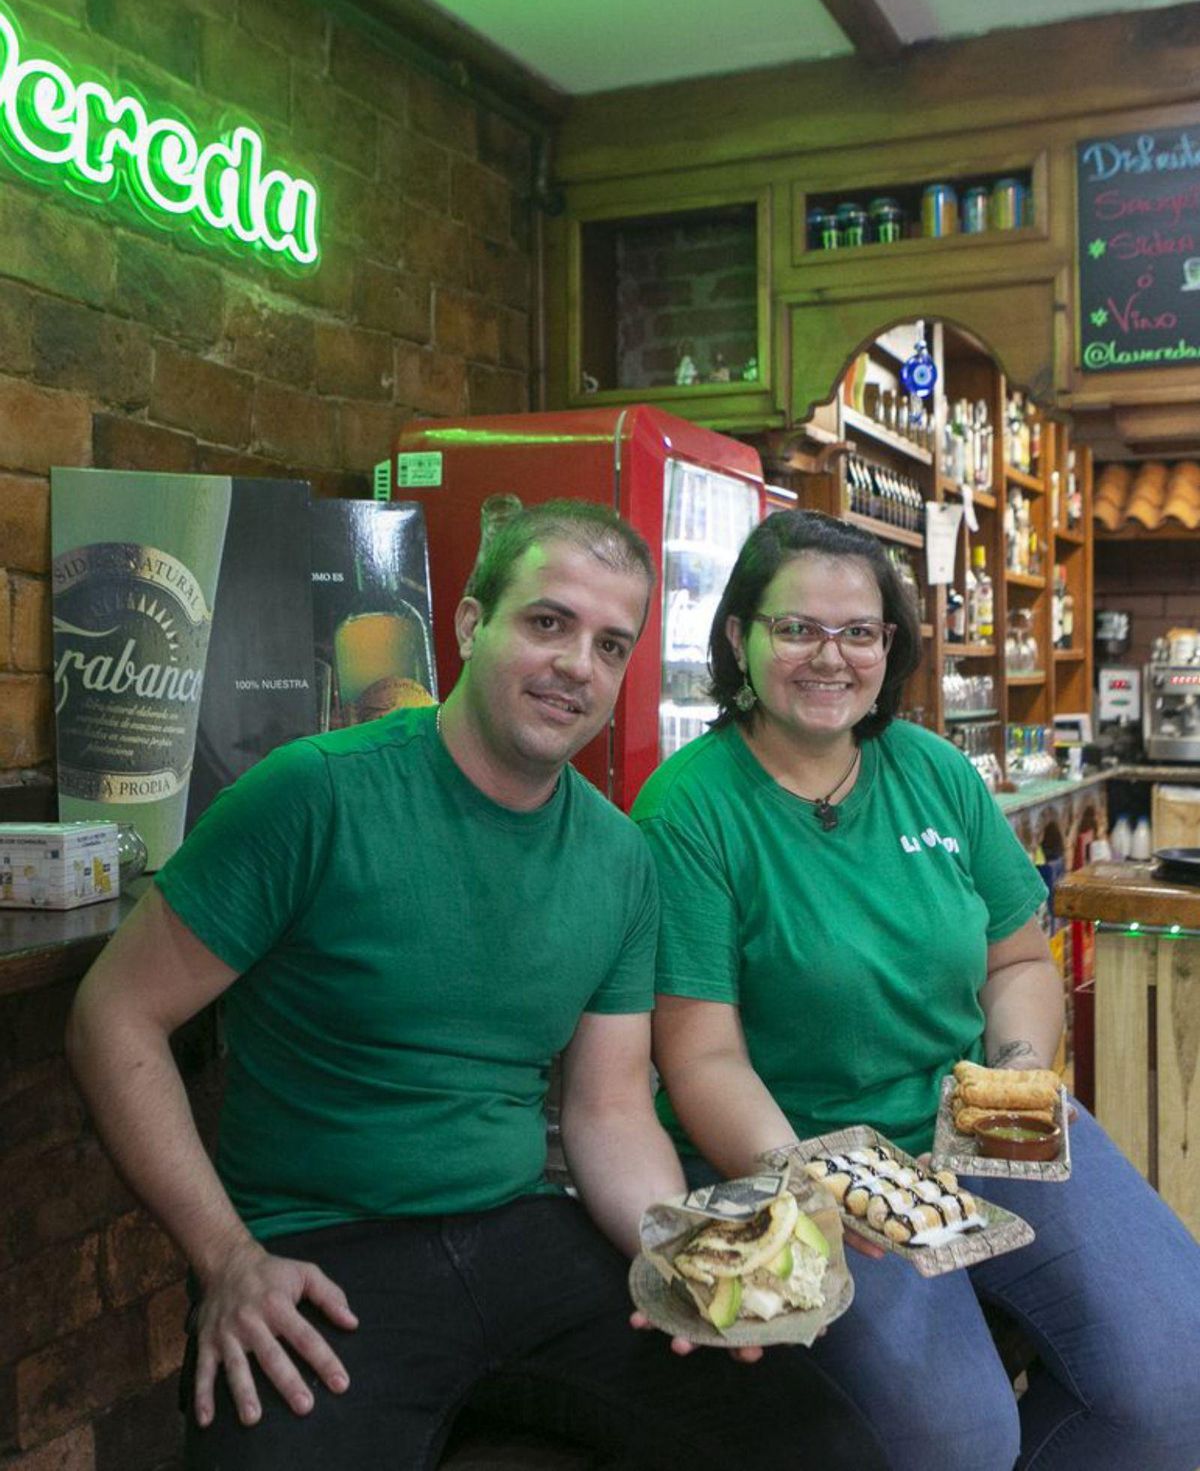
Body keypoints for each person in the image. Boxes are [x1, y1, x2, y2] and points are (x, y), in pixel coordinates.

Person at [66, 499, 885, 1471]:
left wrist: (680, 1253)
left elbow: (611, 1108)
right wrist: (226, 1257)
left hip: (528, 1231)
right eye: (548, 622)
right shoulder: (313, 794)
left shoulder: (619, 855)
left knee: (815, 1437)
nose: (578, 663)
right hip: (325, 1247)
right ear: (467, 624)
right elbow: (112, 1013)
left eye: (610, 643)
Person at [632, 507, 1200, 1471]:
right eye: (797, 627)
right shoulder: (688, 807)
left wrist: (1016, 1081)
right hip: (805, 1151)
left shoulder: (934, 771)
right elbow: (702, 1057)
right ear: (739, 636)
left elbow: (1018, 960)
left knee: (1179, 1378)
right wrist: (810, 1189)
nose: (831, 655)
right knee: (957, 1441)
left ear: (889, 645)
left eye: (859, 631)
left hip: (973, 1114)